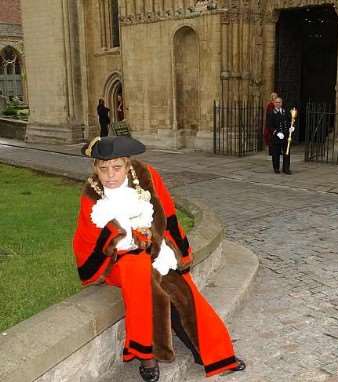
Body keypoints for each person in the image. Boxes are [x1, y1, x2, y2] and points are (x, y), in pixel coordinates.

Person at [73, 136, 245, 382]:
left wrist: (170, 248)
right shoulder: (92, 194)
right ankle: (146, 354)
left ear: (128, 164)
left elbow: (167, 212)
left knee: (182, 289)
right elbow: (86, 240)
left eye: (117, 167)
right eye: (103, 168)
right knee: (140, 277)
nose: (110, 175)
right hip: (118, 262)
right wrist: (123, 238)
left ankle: (213, 353)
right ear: (95, 168)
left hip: (154, 251)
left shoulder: (146, 176)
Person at [266, 97, 294, 174]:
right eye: (276, 102)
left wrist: (290, 128)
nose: (278, 104)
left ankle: (286, 168)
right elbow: (269, 125)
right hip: (276, 136)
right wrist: (276, 132)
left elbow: (289, 121)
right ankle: (276, 168)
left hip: (285, 135)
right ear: (274, 103)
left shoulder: (285, 112)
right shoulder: (271, 113)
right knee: (276, 153)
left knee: (286, 153)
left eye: (279, 102)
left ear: (281, 103)